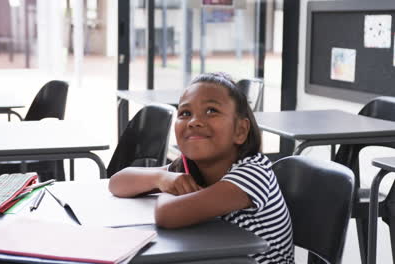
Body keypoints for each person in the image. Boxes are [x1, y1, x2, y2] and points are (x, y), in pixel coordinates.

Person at [109, 72, 294, 264]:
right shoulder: (190, 167)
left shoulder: (254, 173)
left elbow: (168, 215)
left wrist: (170, 187)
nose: (194, 121)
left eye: (211, 110)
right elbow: (117, 183)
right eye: (185, 113)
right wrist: (161, 179)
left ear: (240, 130)